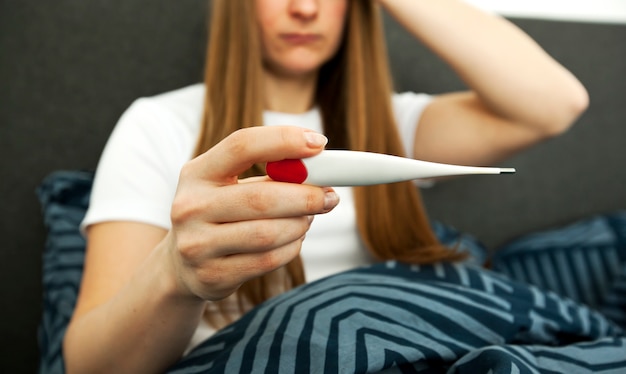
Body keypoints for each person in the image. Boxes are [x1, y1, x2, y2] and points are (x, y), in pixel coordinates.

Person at [63, 0, 588, 372]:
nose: (305, 7)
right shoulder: (160, 125)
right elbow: (89, 364)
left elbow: (554, 104)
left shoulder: (391, 125)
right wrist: (177, 274)